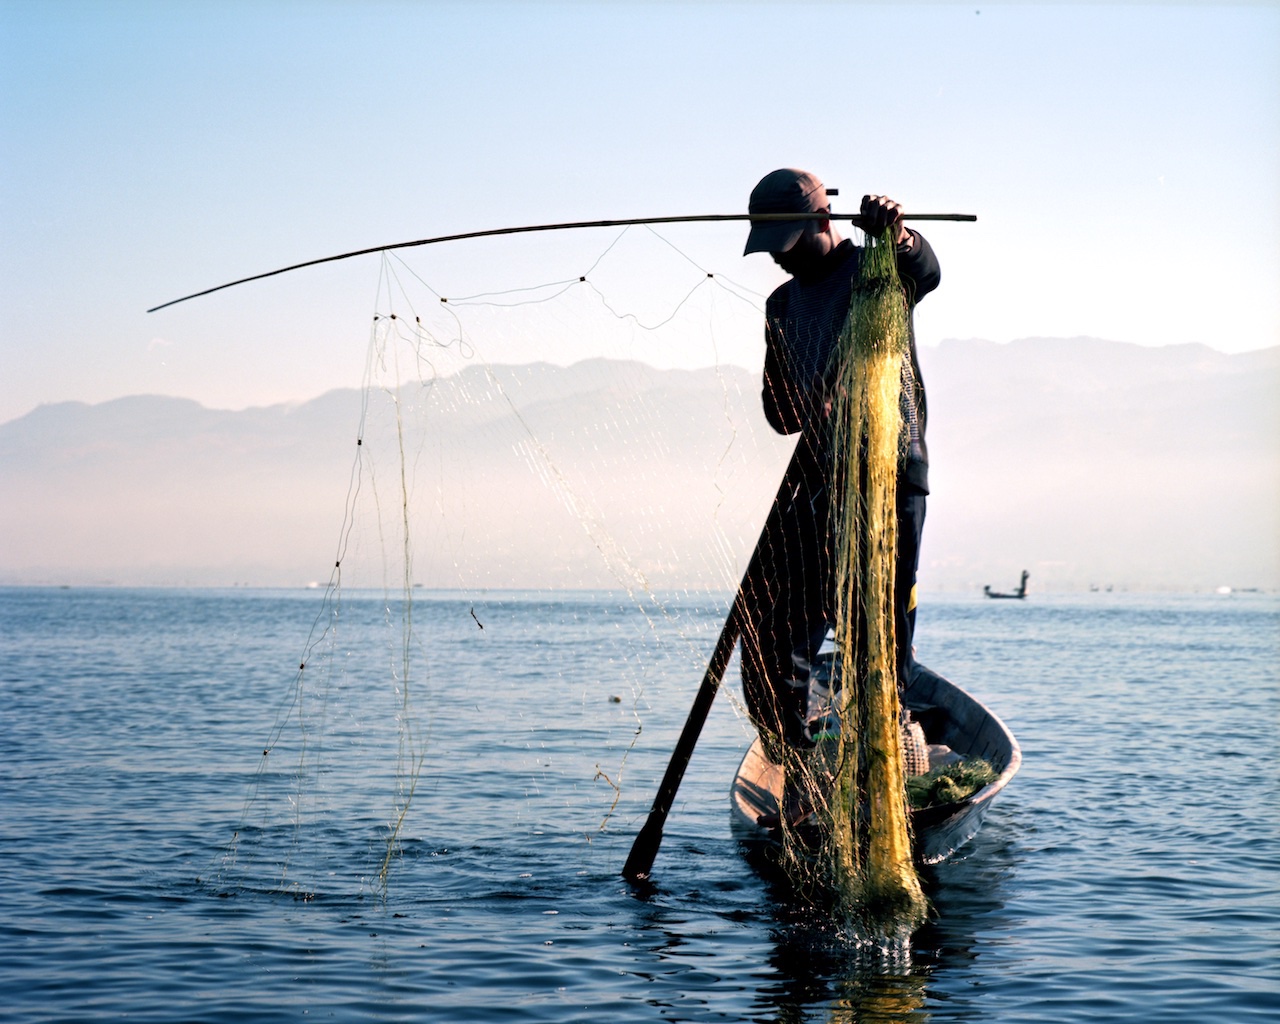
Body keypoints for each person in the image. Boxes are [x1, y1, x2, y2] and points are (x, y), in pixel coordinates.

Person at [738, 168, 941, 770]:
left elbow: (924, 271)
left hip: (890, 471)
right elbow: (781, 415)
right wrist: (812, 396)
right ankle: (798, 760)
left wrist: (898, 237)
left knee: (876, 622)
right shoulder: (781, 306)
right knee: (771, 623)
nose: (779, 261)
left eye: (788, 245)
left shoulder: (873, 272)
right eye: (770, 249)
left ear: (823, 223)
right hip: (821, 480)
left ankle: (888, 748)